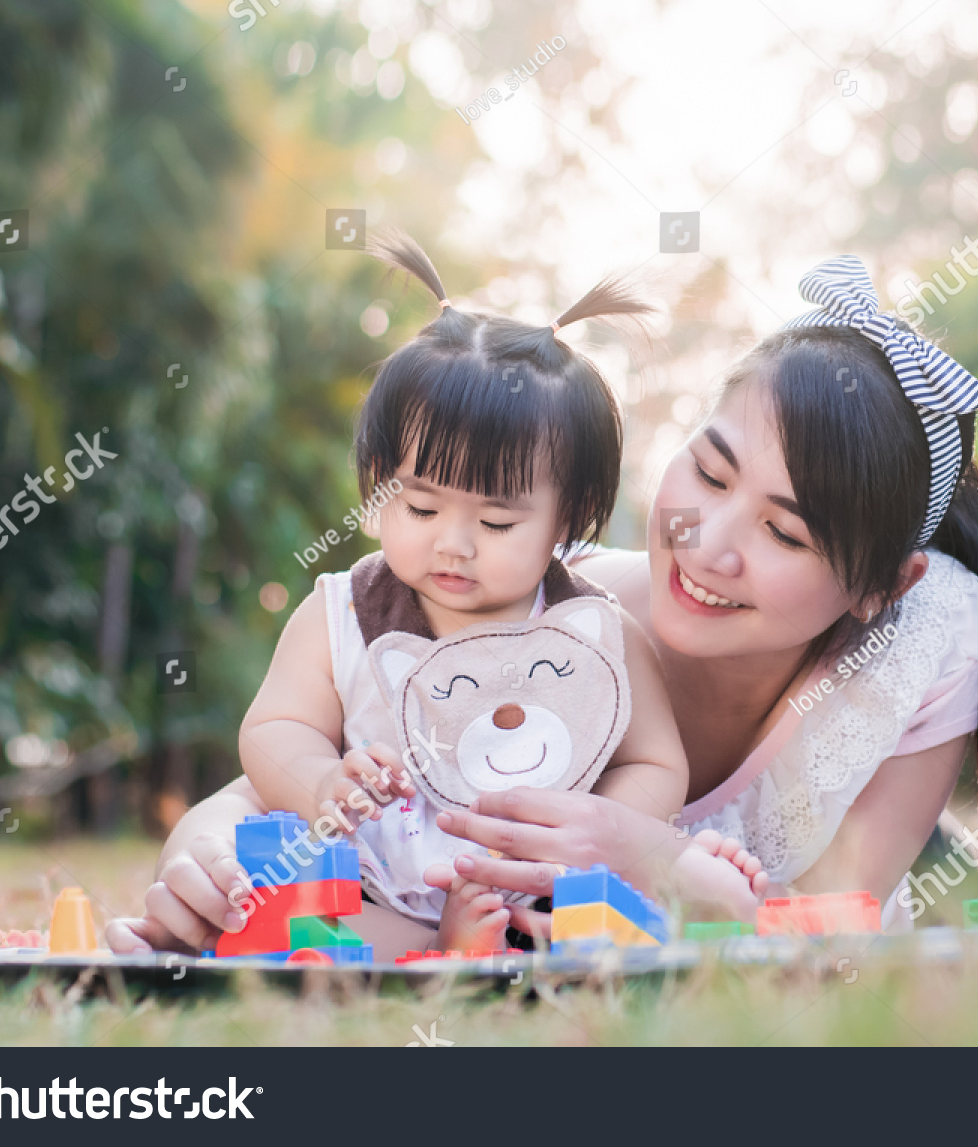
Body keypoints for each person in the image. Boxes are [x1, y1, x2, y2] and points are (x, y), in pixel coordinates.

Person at [106, 255, 978, 954]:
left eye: (785, 534)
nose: (708, 544)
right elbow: (278, 763)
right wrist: (205, 861)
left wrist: (645, 849)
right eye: (710, 472)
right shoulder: (513, 599)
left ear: (882, 584)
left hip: (862, 858)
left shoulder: (923, 630)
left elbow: (833, 929)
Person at [187, 233, 761, 958]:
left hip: (536, 894)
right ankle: (428, 951)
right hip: (366, 888)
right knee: (275, 914)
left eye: (495, 521)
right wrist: (320, 779)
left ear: (570, 513)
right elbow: (273, 728)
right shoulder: (340, 614)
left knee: (634, 913)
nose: (453, 542)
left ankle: (495, 940)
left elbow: (653, 763)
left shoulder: (594, 636)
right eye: (421, 508)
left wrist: (596, 827)